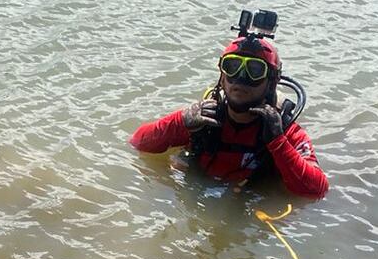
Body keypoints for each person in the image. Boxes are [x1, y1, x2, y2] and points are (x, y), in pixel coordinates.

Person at [130, 33, 328, 198]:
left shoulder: (284, 131)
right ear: (222, 77)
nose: (240, 78)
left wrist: (278, 143)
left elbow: (317, 191)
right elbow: (138, 142)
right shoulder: (202, 119)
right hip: (197, 196)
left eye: (255, 70)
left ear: (271, 82)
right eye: (232, 67)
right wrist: (181, 121)